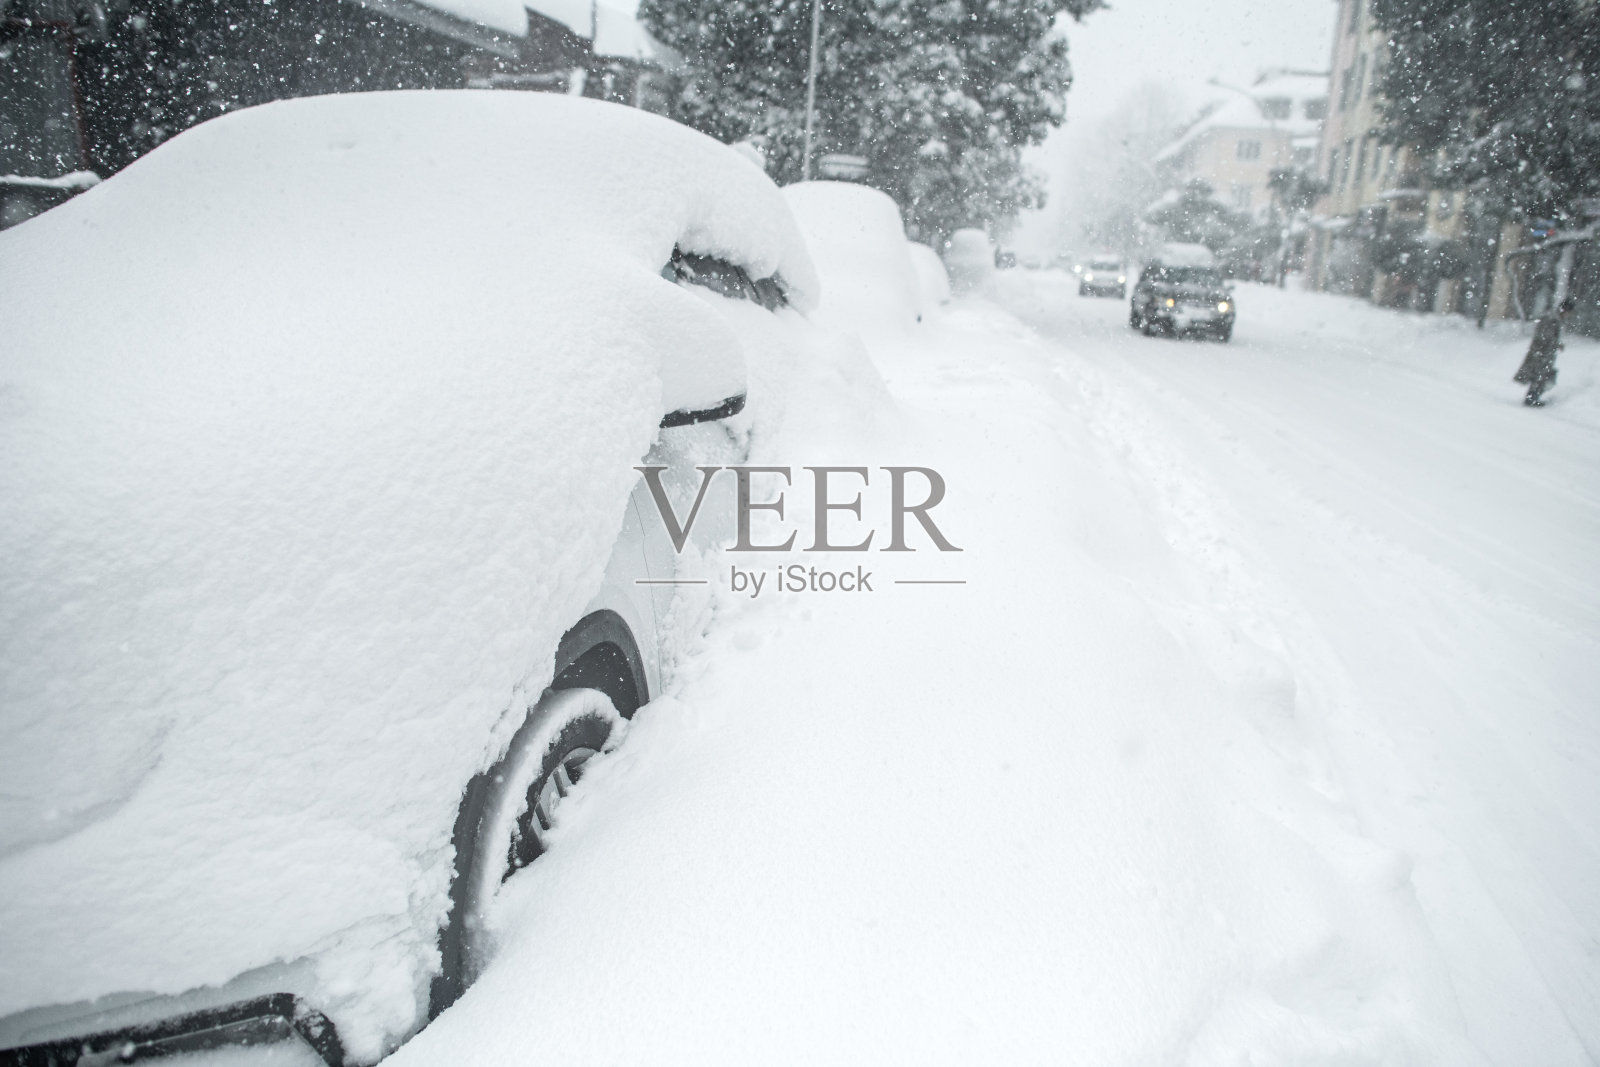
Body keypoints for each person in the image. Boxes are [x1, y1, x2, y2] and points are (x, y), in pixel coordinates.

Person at [1514, 297, 1575, 407]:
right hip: (1541, 353)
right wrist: (1556, 344)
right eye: (1569, 312)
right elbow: (1546, 337)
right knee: (1539, 376)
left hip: (1544, 353)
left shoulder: (1555, 318)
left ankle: (1533, 397)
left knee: (1541, 376)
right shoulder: (1551, 318)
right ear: (1565, 309)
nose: (1569, 315)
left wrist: (1556, 344)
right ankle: (1532, 398)